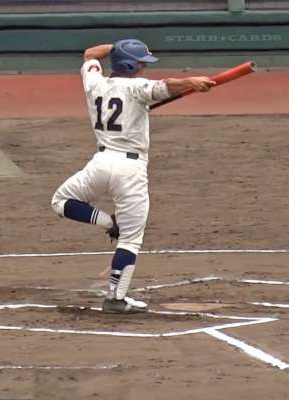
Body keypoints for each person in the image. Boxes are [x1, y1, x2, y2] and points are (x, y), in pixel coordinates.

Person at [51, 39, 216, 313]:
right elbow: (166, 85)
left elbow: (90, 53)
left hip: (101, 163)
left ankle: (108, 223)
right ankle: (116, 298)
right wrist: (191, 81)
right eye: (140, 63)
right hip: (131, 170)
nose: (143, 68)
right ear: (130, 65)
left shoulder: (94, 82)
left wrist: (117, 45)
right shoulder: (139, 88)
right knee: (130, 238)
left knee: (60, 200)